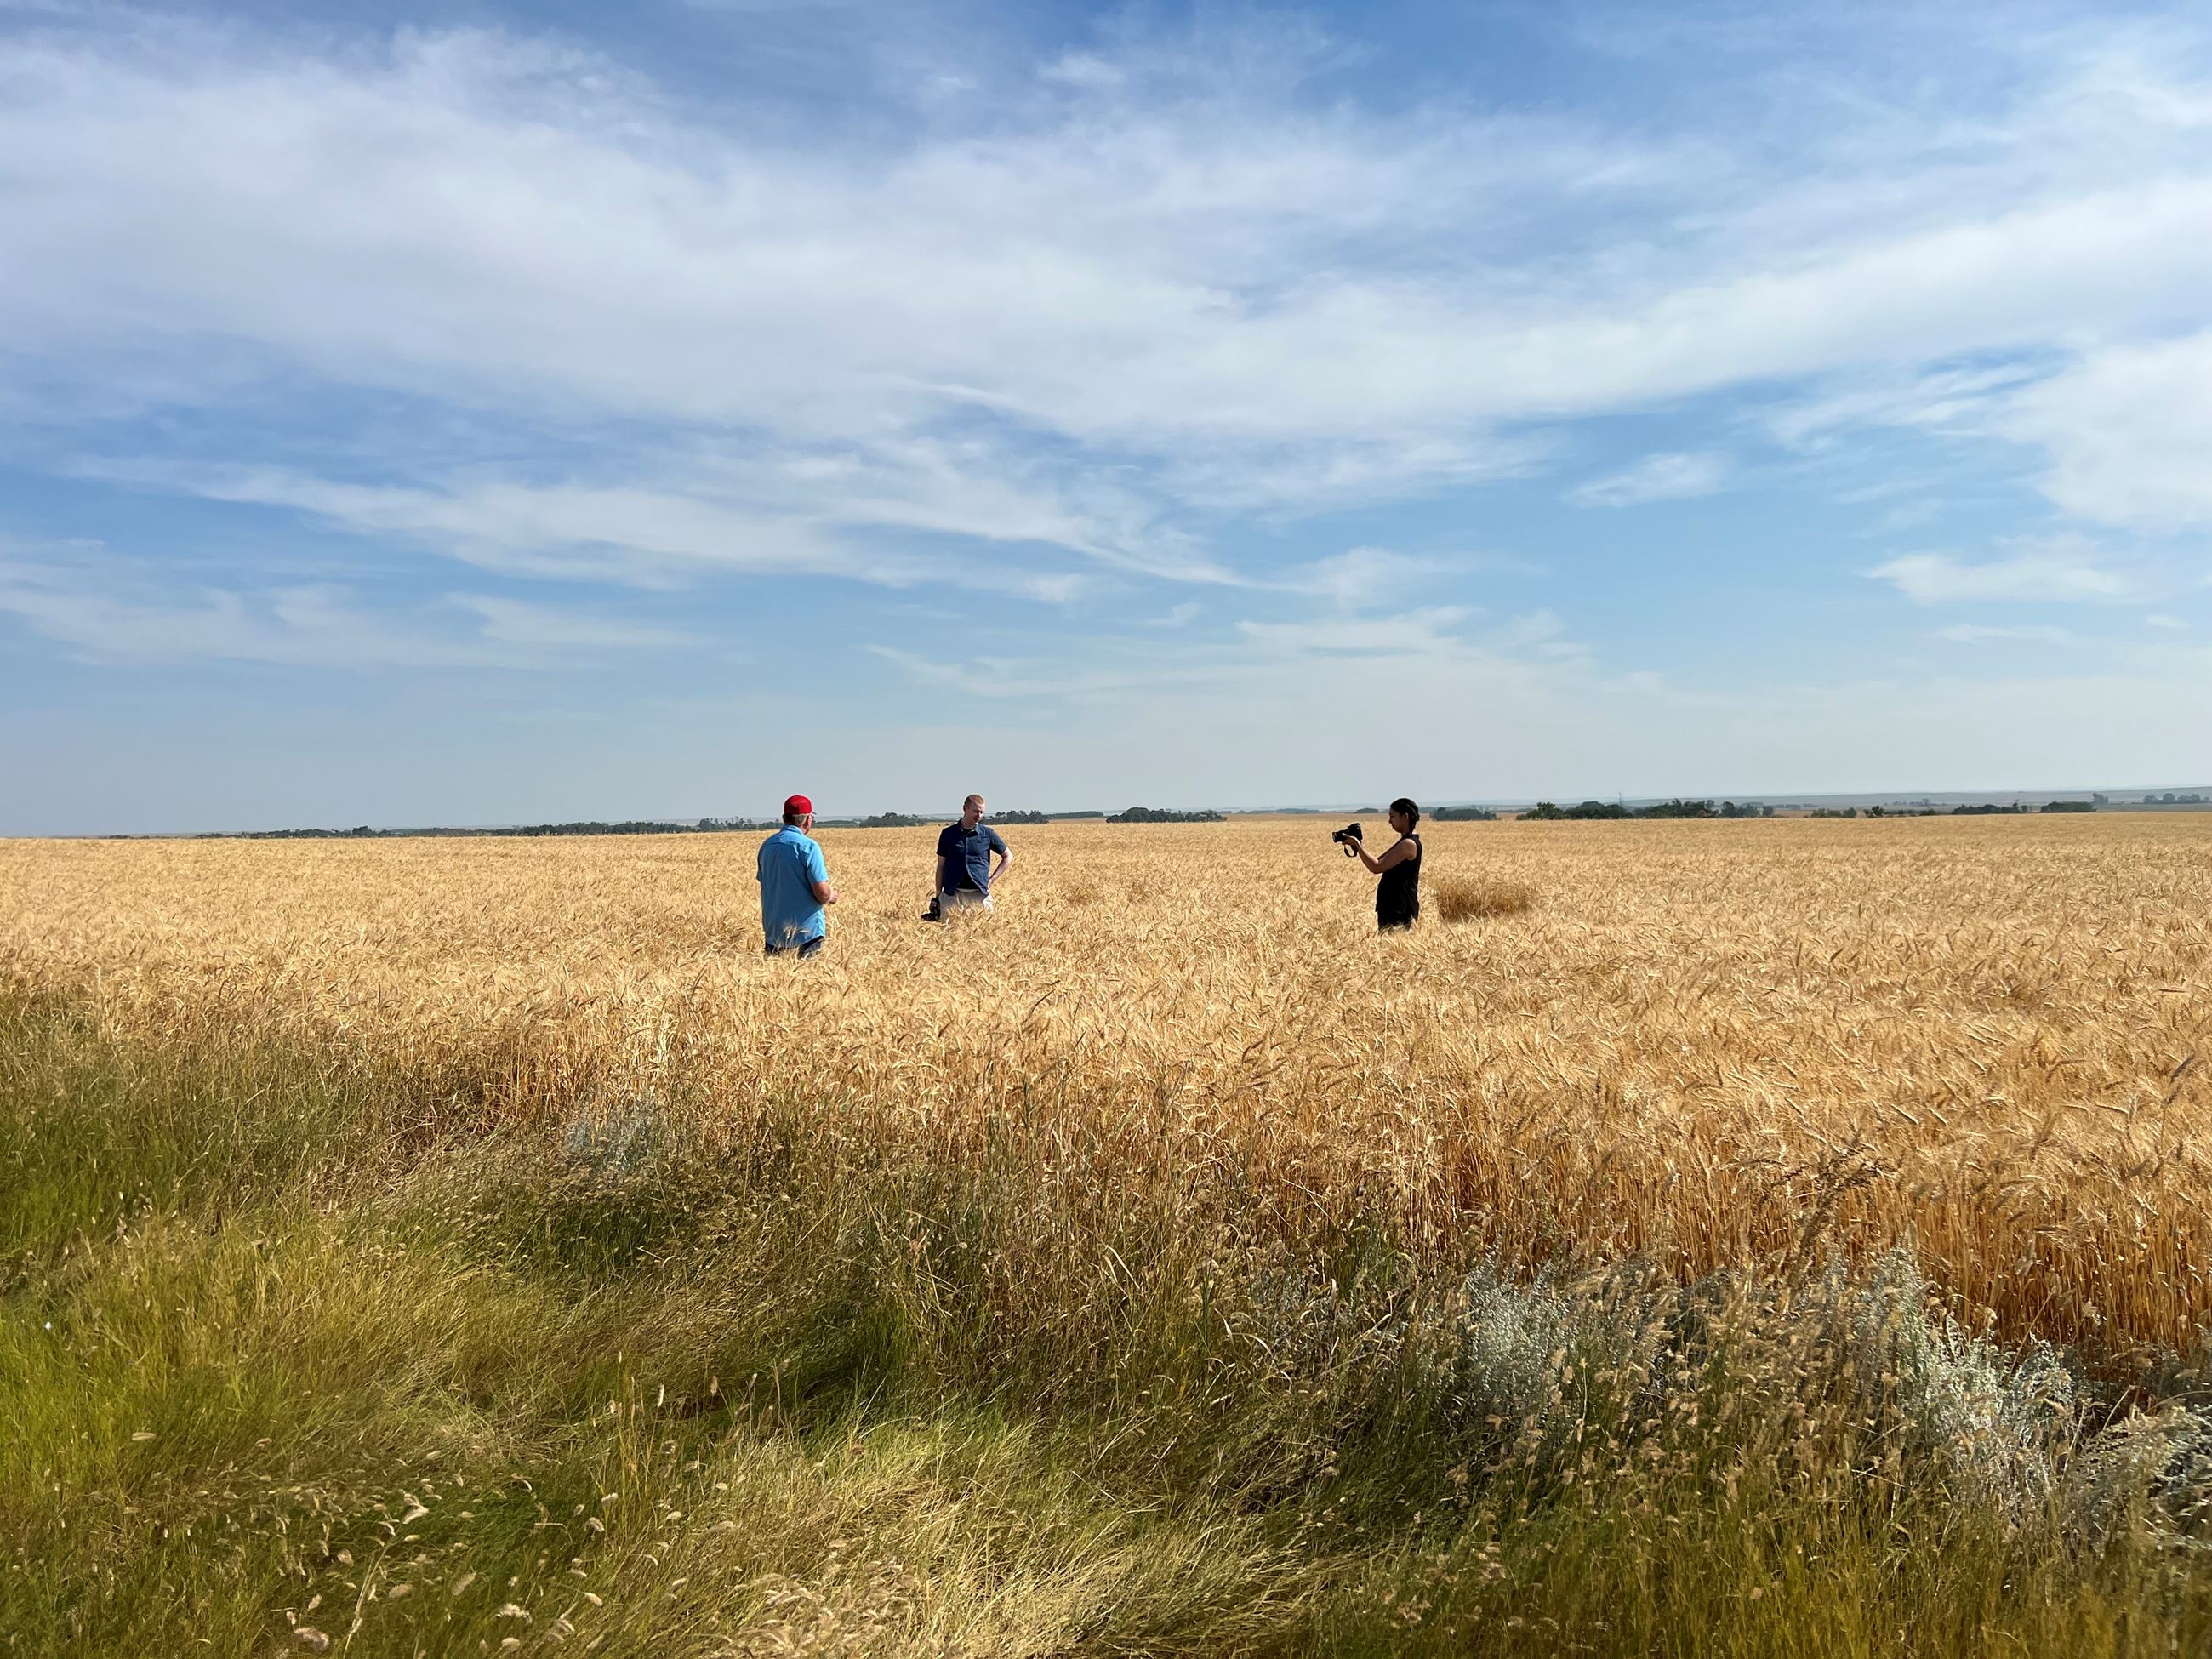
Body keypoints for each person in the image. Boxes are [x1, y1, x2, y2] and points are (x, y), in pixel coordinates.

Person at [757, 794, 837, 956]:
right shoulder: (808, 847)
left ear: (784, 818)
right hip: (806, 934)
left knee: (775, 981)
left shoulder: (767, 846)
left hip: (774, 933)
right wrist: (831, 896)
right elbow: (822, 894)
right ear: (808, 820)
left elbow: (767, 883)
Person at [1343, 797, 1422, 931]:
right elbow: (1377, 860)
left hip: (1399, 910)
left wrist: (1357, 844)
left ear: (1405, 817)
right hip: (1394, 908)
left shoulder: (1408, 844)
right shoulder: (1405, 841)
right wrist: (1359, 847)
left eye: (1392, 816)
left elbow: (1377, 867)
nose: (1389, 821)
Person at [933, 794, 1010, 915]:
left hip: (980, 896)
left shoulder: (988, 833)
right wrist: (937, 896)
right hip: (952, 895)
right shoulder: (948, 834)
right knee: (950, 933)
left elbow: (1008, 856)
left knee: (986, 933)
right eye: (976, 811)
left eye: (982, 812)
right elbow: (941, 865)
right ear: (965, 809)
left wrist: (992, 879)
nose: (979, 816)